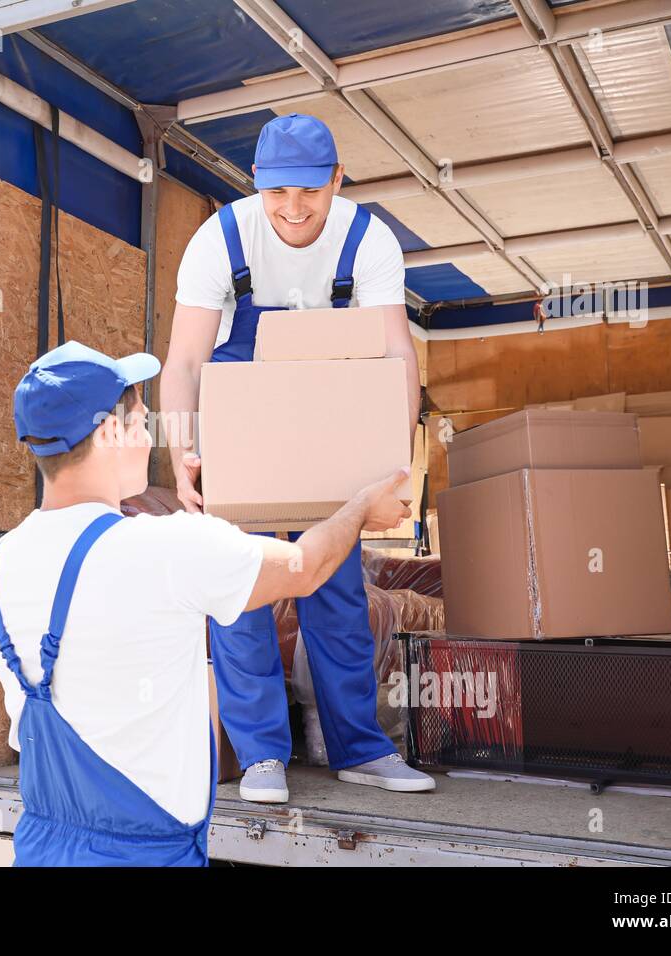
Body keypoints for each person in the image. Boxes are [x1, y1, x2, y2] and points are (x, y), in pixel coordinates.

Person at [0, 340, 411, 866]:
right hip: (147, 856)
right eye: (141, 423)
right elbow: (308, 567)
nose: (148, 438)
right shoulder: (166, 546)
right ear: (110, 430)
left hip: (43, 847)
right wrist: (362, 506)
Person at [159, 112, 434, 803]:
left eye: (309, 192)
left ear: (336, 180)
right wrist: (180, 448)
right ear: (256, 184)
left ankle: (360, 750)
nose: (293, 208)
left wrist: (391, 463)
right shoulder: (220, 238)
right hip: (241, 421)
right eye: (278, 192)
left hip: (327, 420)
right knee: (243, 591)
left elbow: (396, 352)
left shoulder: (368, 240)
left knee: (336, 592)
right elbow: (185, 357)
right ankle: (260, 758)